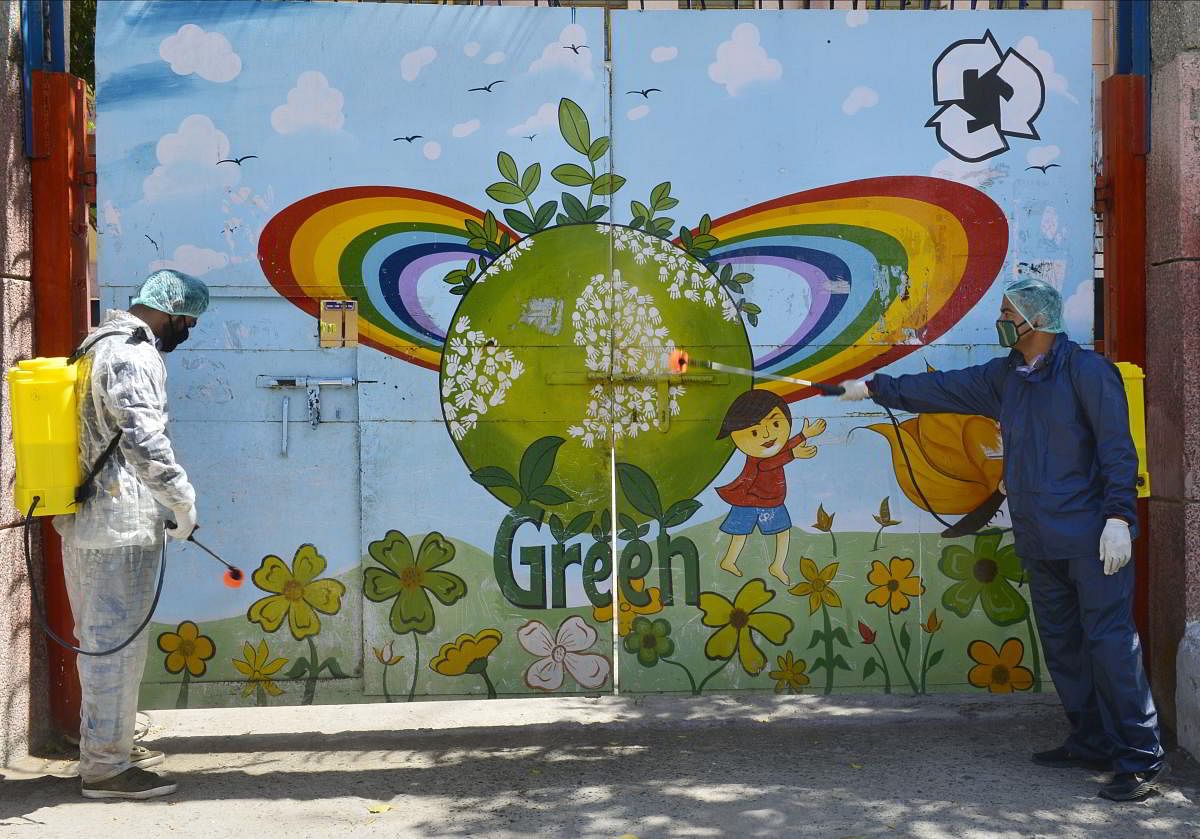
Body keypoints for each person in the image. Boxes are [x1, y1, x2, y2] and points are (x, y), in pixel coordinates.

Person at [839, 277, 1164, 802]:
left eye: (1009, 311)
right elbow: (943, 388)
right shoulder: (1006, 376)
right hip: (1039, 536)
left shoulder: (1087, 373)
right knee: (1063, 646)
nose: (1002, 319)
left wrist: (1119, 519)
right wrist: (878, 387)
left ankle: (1139, 758)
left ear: (1038, 319)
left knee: (1110, 646)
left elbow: (1117, 450)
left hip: (1092, 539)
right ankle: (1092, 740)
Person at [53, 269, 209, 800]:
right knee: (113, 646)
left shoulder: (100, 345)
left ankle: (110, 746)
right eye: (188, 320)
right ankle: (105, 769)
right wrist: (181, 500)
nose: (187, 330)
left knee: (110, 644)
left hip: (105, 519)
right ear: (169, 310)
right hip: (114, 525)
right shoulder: (130, 353)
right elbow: (144, 439)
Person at [714, 388, 826, 585]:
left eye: (775, 423)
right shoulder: (757, 455)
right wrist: (793, 455)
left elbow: (783, 447)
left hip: (770, 500)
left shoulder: (771, 448)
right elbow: (767, 464)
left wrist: (803, 435)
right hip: (749, 499)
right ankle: (729, 561)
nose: (766, 434)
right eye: (755, 431)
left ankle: (777, 565)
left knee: (781, 532)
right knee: (741, 534)